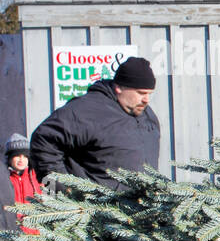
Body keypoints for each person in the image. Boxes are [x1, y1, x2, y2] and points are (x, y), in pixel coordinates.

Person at [29, 57, 161, 192]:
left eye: (149, 93)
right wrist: (63, 188)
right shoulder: (87, 110)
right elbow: (44, 140)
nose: (146, 100)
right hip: (94, 207)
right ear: (119, 88)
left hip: (139, 207)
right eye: (141, 93)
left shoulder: (147, 114)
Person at [1, 134, 43, 234]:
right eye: (17, 155)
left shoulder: (36, 177)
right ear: (9, 158)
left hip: (36, 234)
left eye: (25, 156)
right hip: (12, 233)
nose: (21, 160)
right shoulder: (4, 179)